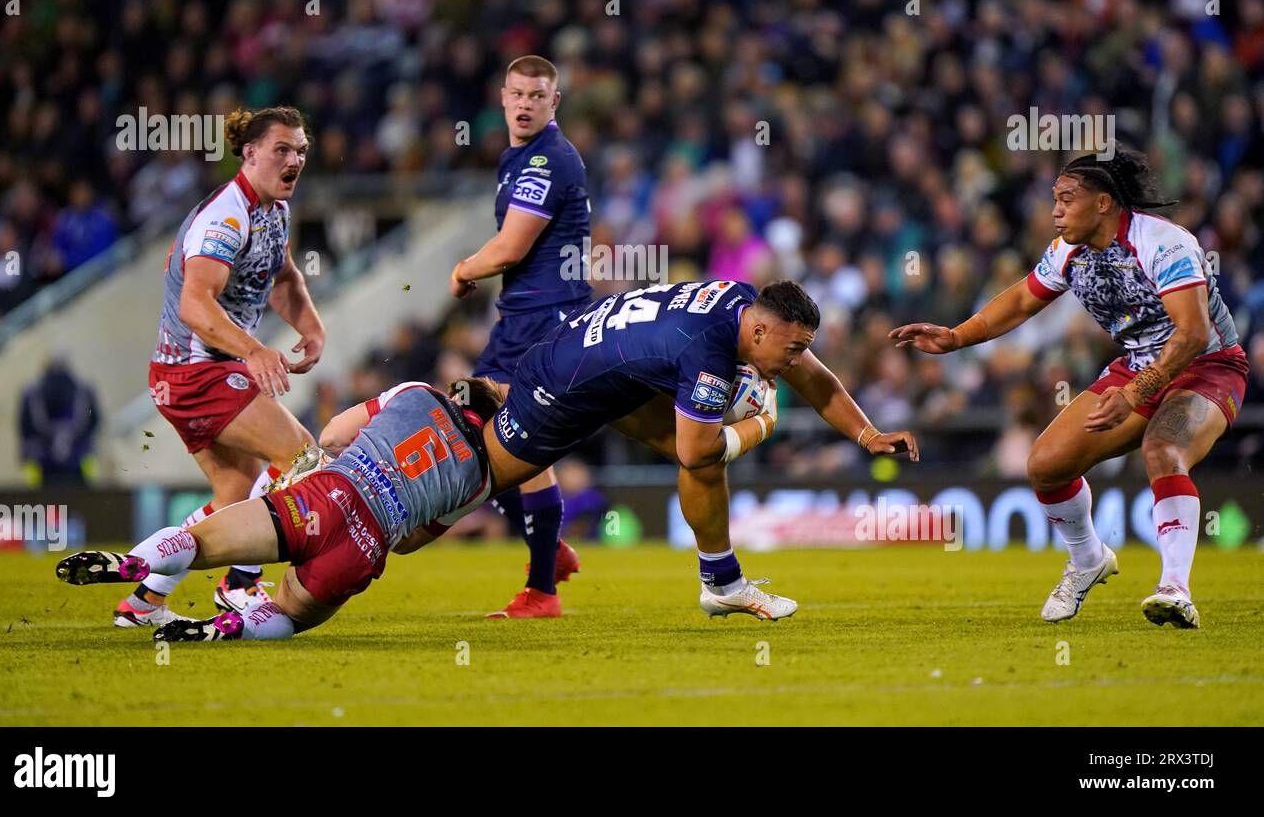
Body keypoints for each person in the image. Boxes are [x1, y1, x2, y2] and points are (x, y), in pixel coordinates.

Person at [890, 149, 1249, 629]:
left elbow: (1192, 335)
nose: (1055, 210)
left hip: (1208, 367)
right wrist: (958, 336)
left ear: (1103, 203)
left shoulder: (1164, 244)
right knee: (1046, 465)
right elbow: (1020, 300)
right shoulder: (1068, 251)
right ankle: (1087, 560)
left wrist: (1134, 394)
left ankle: (1175, 589)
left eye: (1066, 199)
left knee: (1163, 448)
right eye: (1053, 199)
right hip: (1137, 369)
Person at [473, 278, 919, 620]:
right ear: (760, 331)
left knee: (699, 451)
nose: (795, 360)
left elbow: (816, 380)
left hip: (603, 371)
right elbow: (697, 451)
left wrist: (868, 435)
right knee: (472, 485)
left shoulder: (743, 308)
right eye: (794, 348)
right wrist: (763, 424)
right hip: (558, 388)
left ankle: (723, 584)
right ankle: (412, 499)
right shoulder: (709, 350)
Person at [56, 378, 505, 641]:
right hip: (365, 546)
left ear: (457, 393)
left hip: (327, 495)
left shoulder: (417, 392)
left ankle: (140, 562)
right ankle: (228, 627)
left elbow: (330, 435)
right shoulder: (481, 480)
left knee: (199, 543)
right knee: (288, 612)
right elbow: (410, 543)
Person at [120, 106, 327, 629]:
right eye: (282, 149)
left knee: (236, 492)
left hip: (188, 374)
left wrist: (311, 326)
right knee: (302, 459)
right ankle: (240, 585)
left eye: (301, 150)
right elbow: (195, 305)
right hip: (195, 372)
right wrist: (254, 350)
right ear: (250, 152)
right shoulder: (226, 215)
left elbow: (283, 277)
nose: (294, 159)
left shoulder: (273, 211)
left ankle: (143, 597)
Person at [448, 55, 594, 619]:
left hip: (543, 323)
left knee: (491, 433)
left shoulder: (547, 160)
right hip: (524, 321)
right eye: (518, 94)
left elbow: (509, 249)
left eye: (539, 95)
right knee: (493, 436)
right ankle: (546, 556)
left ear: (554, 103)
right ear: (503, 98)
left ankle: (543, 585)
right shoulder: (519, 158)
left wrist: (462, 271)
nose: (527, 103)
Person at [18, 357, 100, 487]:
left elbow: (24, 429)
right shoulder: (84, 391)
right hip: (50, 464)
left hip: (71, 462)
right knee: (76, 501)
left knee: (49, 503)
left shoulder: (31, 393)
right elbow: (95, 422)